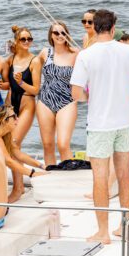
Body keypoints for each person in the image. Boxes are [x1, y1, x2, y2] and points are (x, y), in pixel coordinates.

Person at [71, 9, 129, 244]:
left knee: (100, 178)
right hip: (125, 121)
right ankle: (123, 226)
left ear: (94, 28)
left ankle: (103, 232)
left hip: (100, 124)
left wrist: (91, 96)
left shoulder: (86, 55)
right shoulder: (128, 51)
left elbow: (76, 93)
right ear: (114, 28)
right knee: (124, 174)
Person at [0, 104, 47, 202]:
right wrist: (33, 174)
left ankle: (16, 191)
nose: (17, 119)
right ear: (4, 120)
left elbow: (18, 154)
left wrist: (42, 166)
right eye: (14, 117)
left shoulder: (6, 134)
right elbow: (8, 161)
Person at [6, 25, 42, 201]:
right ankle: (18, 186)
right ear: (16, 42)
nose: (27, 42)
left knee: (14, 144)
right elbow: (7, 84)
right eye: (23, 39)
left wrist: (21, 83)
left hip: (27, 103)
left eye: (30, 39)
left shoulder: (34, 61)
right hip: (11, 104)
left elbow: (36, 89)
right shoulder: (10, 59)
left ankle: (19, 187)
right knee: (11, 145)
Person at [37, 21, 79, 166]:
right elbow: (31, 69)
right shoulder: (45, 53)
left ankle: (70, 177)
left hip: (67, 101)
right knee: (48, 144)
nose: (60, 36)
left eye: (63, 32)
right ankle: (51, 176)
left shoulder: (76, 53)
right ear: (51, 35)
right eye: (56, 33)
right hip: (45, 101)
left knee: (62, 144)